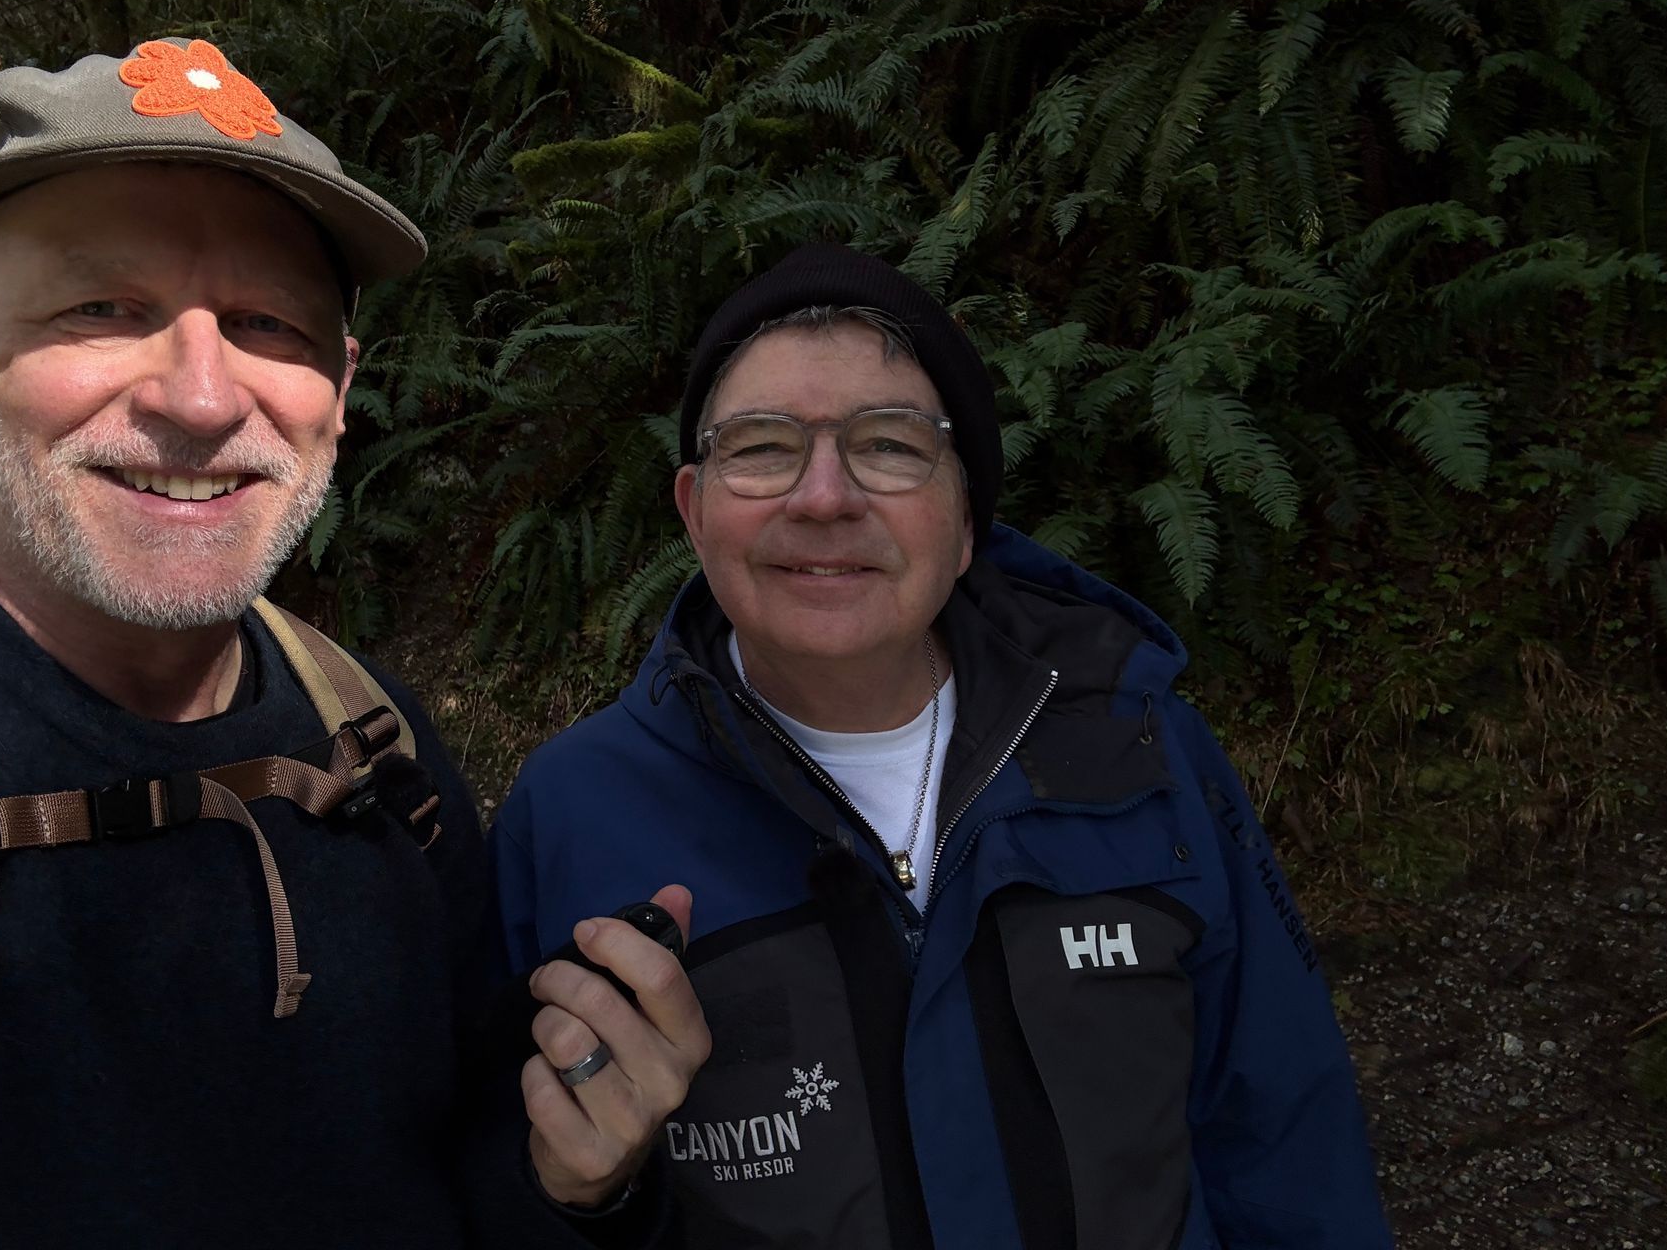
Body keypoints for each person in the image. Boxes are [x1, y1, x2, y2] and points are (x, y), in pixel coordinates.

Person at [0, 37, 708, 1248]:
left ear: (339, 391)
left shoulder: (374, 743)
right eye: (100, 307)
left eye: (266, 323)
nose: (200, 396)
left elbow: (470, 1176)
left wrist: (575, 1184)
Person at [490, 245, 1394, 1249]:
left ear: (966, 524)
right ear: (694, 514)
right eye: (760, 447)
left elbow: (1286, 1142)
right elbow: (481, 1189)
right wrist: (580, 1195)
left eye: (890, 446)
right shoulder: (573, 815)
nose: (824, 496)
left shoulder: (1141, 752)